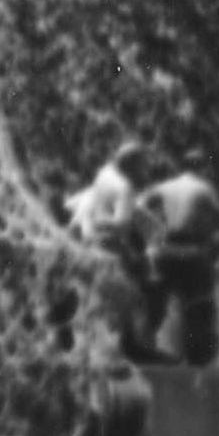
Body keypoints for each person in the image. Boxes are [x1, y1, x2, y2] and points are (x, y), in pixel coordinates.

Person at [66, 152, 158, 359]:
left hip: (100, 263)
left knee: (113, 306)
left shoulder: (92, 198)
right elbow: (150, 229)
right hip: (106, 263)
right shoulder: (118, 197)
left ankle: (111, 348)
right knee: (123, 304)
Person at [140, 164, 219, 365]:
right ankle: (199, 357)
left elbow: (139, 209)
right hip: (192, 252)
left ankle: (145, 351)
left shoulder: (162, 188)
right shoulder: (203, 188)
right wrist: (214, 250)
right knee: (199, 303)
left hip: (163, 252)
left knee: (154, 307)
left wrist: (150, 240)